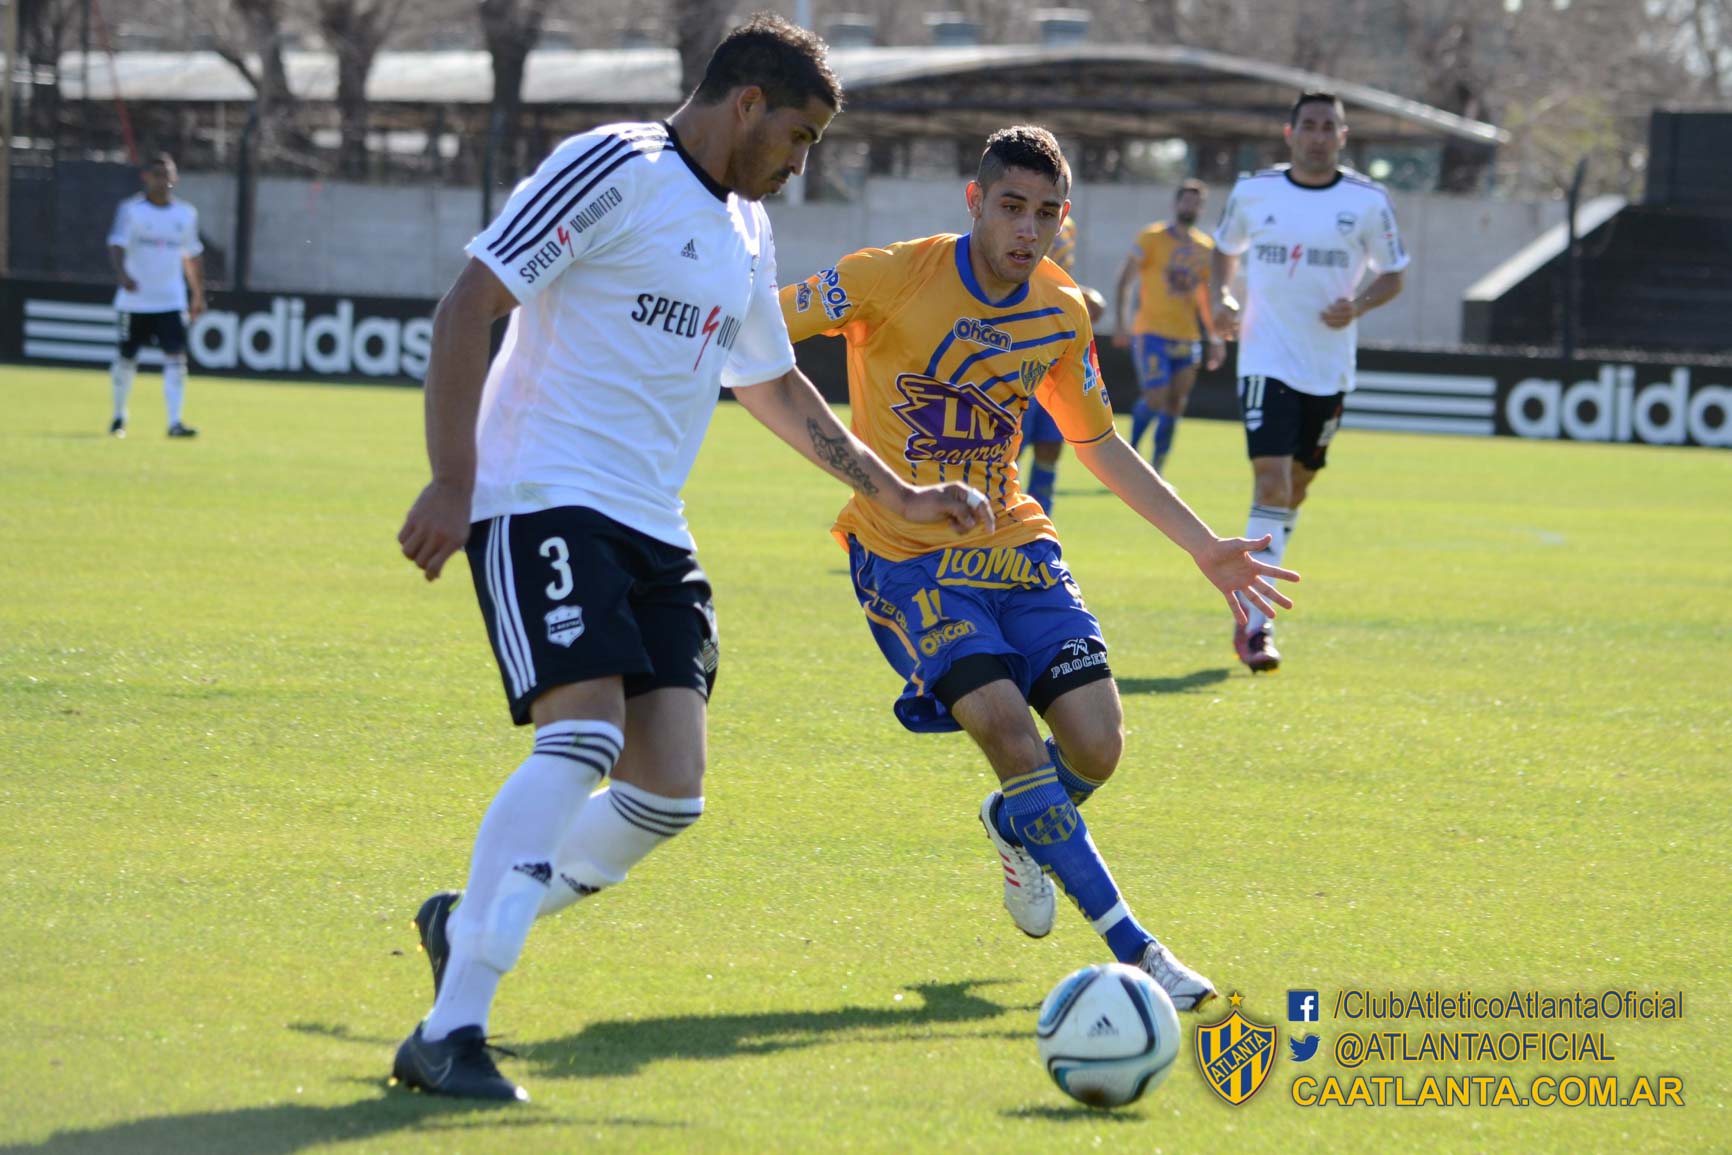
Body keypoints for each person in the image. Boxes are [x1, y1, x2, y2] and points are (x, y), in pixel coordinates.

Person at [391, 16, 990, 1102]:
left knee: (668, 791)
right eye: (799, 137)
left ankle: (465, 916)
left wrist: (893, 492)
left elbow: (766, 381)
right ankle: (450, 1028)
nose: (802, 165)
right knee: (579, 738)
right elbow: (471, 299)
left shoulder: (746, 228)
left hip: (652, 524)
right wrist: (451, 475)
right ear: (745, 103)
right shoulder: (613, 165)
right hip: (541, 495)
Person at [780, 126, 1297, 1013]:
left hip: (1016, 549)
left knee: (1097, 745)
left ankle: (1018, 823)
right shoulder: (885, 276)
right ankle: (1140, 951)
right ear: (975, 202)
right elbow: (757, 329)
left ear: (1065, 221)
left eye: (1048, 214)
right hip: (907, 558)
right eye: (1012, 207)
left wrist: (1204, 545)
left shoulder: (1061, 311)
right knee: (1010, 734)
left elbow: (1098, 443)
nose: (1029, 229)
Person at [1211, 92, 1409, 672]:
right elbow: (1223, 253)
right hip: (1265, 358)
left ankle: (1256, 596)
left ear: (1342, 137)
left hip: (1328, 368)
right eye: (1309, 125)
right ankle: (1253, 623)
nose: (1318, 136)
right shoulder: (1254, 193)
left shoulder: (1368, 202)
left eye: (1329, 127)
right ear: (1289, 132)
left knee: (1295, 488)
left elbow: (1394, 273)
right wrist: (1221, 297)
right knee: (1270, 485)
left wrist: (1360, 304)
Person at [1116, 180, 1224, 473]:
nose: (1190, 207)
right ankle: (1131, 457)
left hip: (1187, 337)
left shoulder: (1204, 247)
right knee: (1156, 395)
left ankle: (1158, 469)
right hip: (1151, 331)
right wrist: (1121, 322)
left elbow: (1207, 296)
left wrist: (1214, 336)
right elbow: (1126, 280)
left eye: (1196, 203)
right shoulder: (1151, 237)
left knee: (1176, 403)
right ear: (1175, 204)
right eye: (1186, 201)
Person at [106, 153, 205, 438]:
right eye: (157, 174)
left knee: (176, 358)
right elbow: (116, 244)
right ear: (145, 177)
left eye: (167, 175)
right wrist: (123, 276)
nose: (162, 181)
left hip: (170, 301)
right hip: (134, 301)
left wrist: (197, 294)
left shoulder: (186, 215)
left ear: (175, 179)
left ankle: (175, 422)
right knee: (126, 358)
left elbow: (191, 256)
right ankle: (118, 416)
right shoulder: (131, 210)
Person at [1018, 214, 1104, 516]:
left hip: (1055, 357)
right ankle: (993, 535)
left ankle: (1040, 532)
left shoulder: (1067, 223)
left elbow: (1054, 277)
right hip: (1018, 352)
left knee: (1049, 448)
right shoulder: (1017, 215)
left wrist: (1079, 296)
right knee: (1007, 451)